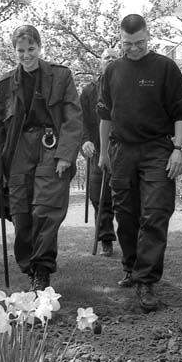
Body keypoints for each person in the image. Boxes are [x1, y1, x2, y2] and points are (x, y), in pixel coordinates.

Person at [97, 14, 182, 313]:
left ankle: (146, 280)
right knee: (125, 215)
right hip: (122, 150)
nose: (134, 49)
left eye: (139, 43)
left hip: (158, 149)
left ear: (147, 36)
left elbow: (181, 112)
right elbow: (105, 117)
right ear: (120, 39)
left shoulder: (165, 67)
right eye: (128, 44)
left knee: (155, 213)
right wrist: (103, 153)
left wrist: (178, 149)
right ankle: (131, 266)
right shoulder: (112, 71)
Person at [0, 25, 82, 291]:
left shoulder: (61, 76)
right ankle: (29, 267)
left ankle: (42, 269)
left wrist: (65, 154)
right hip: (17, 151)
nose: (26, 55)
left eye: (31, 49)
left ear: (39, 48)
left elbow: (73, 118)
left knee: (46, 210)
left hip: (49, 147)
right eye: (21, 50)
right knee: (21, 214)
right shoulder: (4, 85)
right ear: (14, 51)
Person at [81, 48, 121, 257]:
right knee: (99, 197)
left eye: (115, 57)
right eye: (107, 58)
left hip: (123, 148)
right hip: (98, 150)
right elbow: (82, 120)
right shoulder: (88, 91)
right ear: (100, 63)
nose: (111, 61)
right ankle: (106, 237)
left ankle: (132, 238)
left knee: (123, 196)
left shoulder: (127, 85)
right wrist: (85, 140)